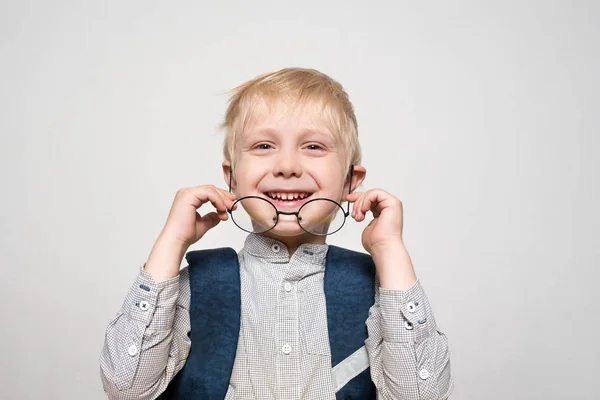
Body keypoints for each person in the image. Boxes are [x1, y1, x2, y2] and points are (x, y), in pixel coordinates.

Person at [100, 67, 454, 400]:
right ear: (232, 177)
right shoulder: (199, 284)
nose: (287, 167)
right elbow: (127, 387)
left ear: (350, 180)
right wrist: (170, 243)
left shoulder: (380, 291)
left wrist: (390, 250)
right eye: (263, 146)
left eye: (313, 147)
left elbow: (418, 394)